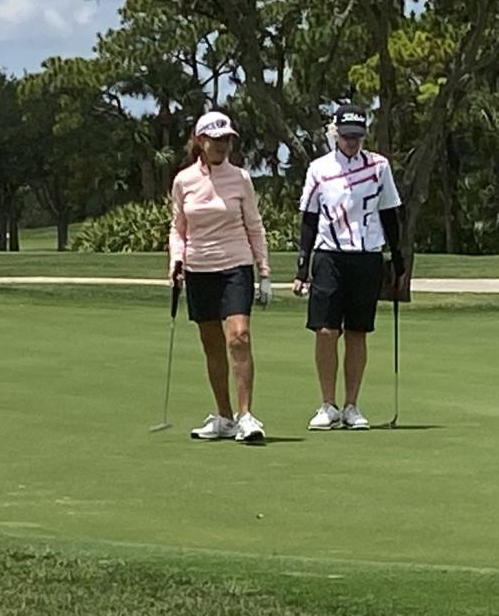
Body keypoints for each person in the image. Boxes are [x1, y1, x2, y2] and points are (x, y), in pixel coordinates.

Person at [293, 103, 405, 430]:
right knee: (327, 331)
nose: (352, 143)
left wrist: (397, 259)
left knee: (357, 332)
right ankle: (327, 404)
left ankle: (352, 406)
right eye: (346, 137)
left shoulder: (379, 166)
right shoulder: (319, 169)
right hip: (329, 256)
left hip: (367, 255)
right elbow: (309, 219)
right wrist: (302, 267)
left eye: (357, 137)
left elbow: (389, 214)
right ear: (335, 133)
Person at [169, 110, 272, 443]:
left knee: (239, 336)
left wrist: (264, 272)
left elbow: (254, 226)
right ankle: (224, 417)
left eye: (227, 140)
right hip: (199, 268)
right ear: (200, 141)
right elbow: (178, 228)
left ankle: (246, 416)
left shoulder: (241, 178)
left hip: (235, 265)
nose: (222, 146)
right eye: (216, 140)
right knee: (212, 345)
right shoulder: (183, 181)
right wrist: (177, 259)